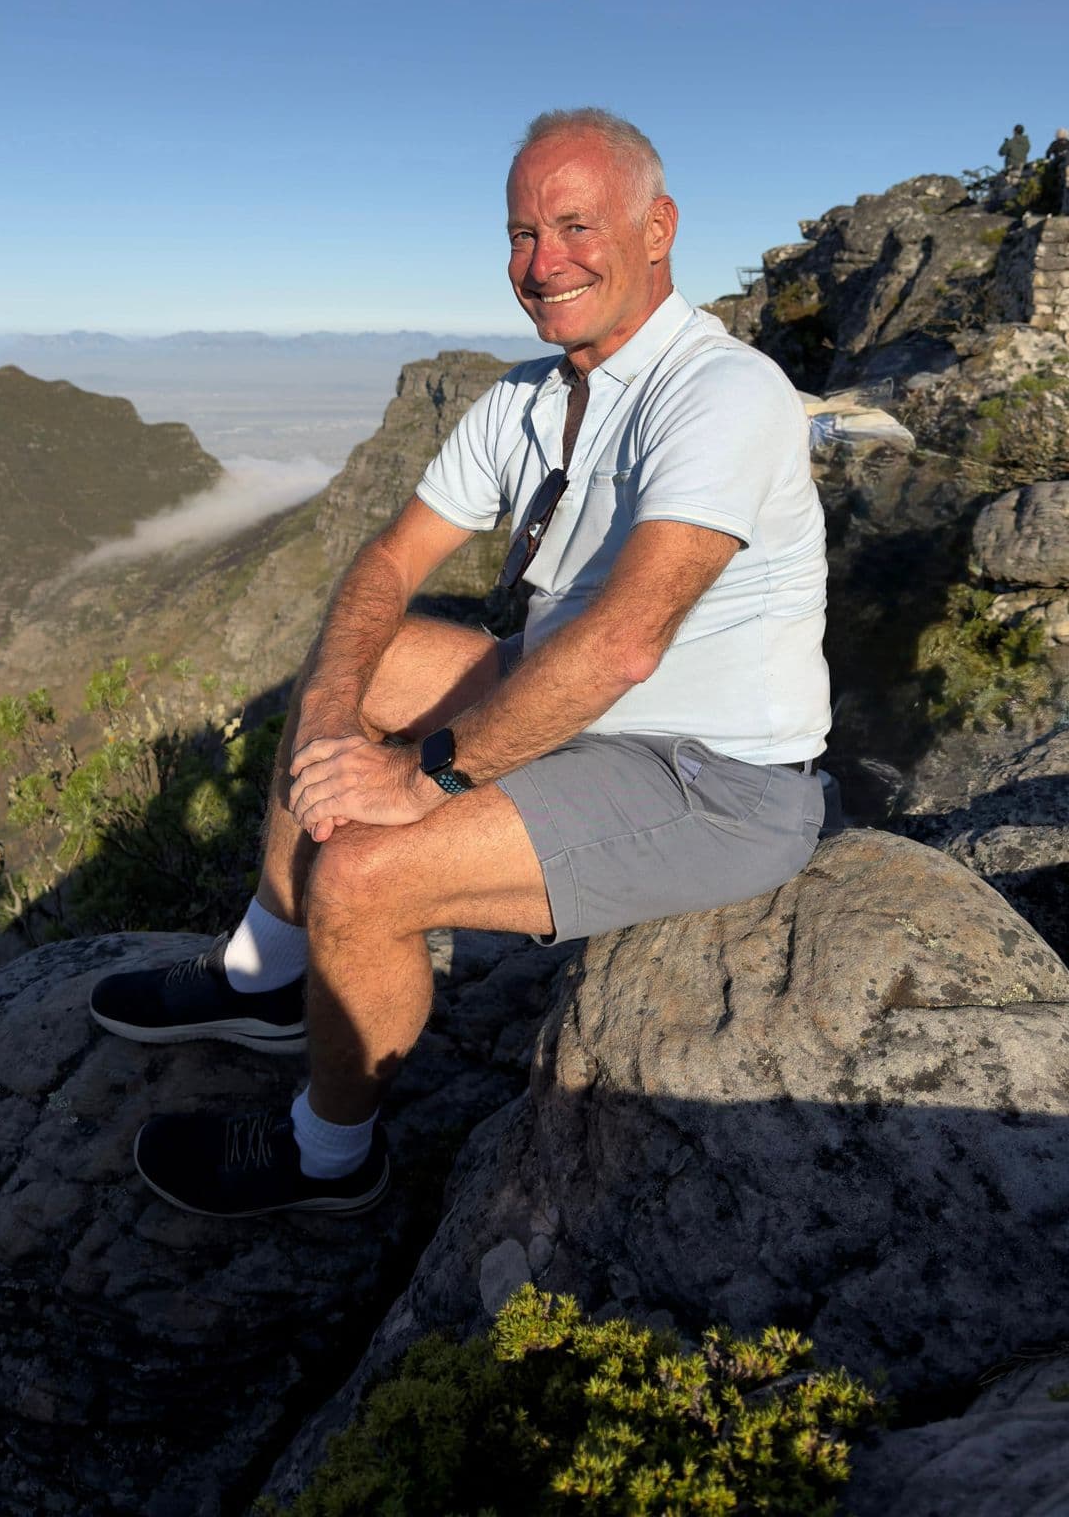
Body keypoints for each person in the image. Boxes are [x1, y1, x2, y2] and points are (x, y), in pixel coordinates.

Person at [90, 108, 830, 1218]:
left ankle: (329, 1157)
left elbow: (628, 640)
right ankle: (267, 972)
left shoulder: (721, 394)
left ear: (658, 226)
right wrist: (339, 705)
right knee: (360, 663)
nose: (542, 263)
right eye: (522, 233)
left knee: (366, 873)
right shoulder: (530, 397)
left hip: (709, 775)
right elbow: (390, 558)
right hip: (573, 704)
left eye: (574, 224)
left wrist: (421, 775)